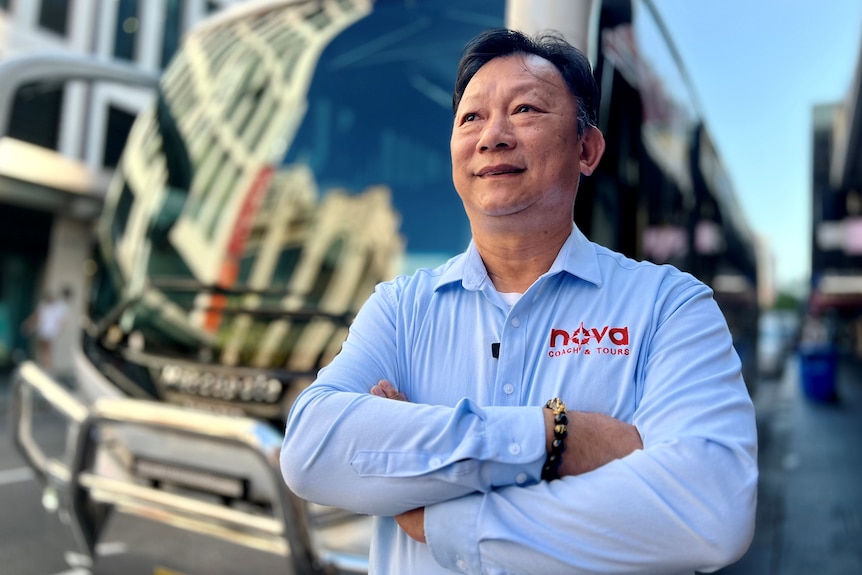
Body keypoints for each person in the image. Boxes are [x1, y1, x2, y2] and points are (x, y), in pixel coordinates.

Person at [281, 28, 757, 574]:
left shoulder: (670, 307)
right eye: (471, 118)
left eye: (526, 109)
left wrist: (436, 511)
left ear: (587, 149)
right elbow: (311, 450)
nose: (492, 137)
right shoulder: (399, 307)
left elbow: (709, 511)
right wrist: (559, 438)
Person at [21, 286, 71, 372]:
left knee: (47, 349)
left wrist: (59, 331)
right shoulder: (43, 305)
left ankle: (47, 368)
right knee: (42, 349)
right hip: (43, 331)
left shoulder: (59, 307)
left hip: (50, 332)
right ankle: (44, 366)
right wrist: (29, 325)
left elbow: (62, 321)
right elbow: (37, 317)